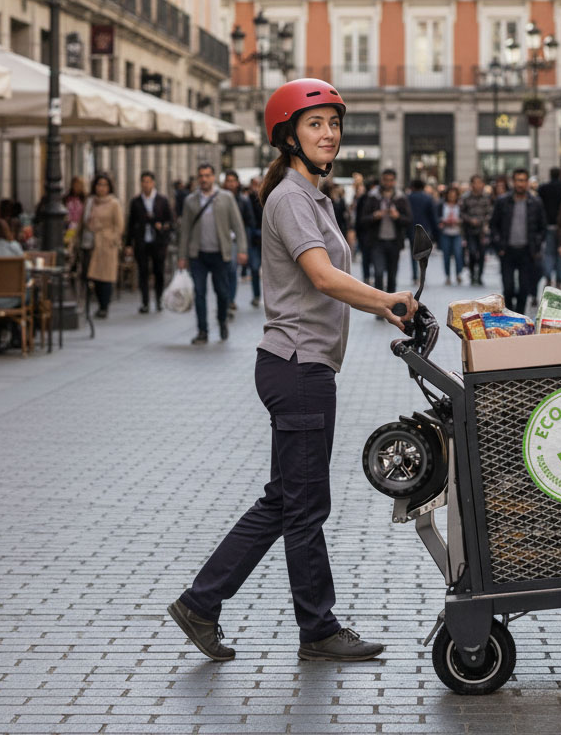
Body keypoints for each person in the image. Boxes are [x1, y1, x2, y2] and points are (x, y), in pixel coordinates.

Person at [168, 77, 416, 664]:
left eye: (333, 123)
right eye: (315, 124)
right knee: (304, 508)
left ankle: (200, 605)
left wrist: (384, 304)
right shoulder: (291, 198)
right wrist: (387, 301)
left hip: (301, 367)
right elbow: (323, 277)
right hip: (298, 367)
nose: (328, 133)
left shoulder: (311, 196)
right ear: (288, 137)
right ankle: (318, 629)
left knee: (284, 501)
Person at [178, 162, 247, 344]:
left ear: (214, 177)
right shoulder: (190, 201)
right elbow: (185, 230)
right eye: (201, 176)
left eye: (207, 175)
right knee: (199, 293)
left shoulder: (225, 198)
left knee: (222, 293)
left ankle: (222, 321)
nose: (204, 179)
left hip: (220, 254)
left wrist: (241, 250)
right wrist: (182, 255)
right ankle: (203, 331)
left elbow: (238, 226)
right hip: (198, 255)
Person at [490, 168, 546, 313]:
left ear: (527, 182)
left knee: (524, 288)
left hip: (527, 251)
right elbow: (493, 225)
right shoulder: (502, 201)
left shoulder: (535, 202)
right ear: (513, 182)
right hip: (507, 250)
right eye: (518, 180)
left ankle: (519, 316)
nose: (520, 184)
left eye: (523, 180)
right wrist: (498, 245)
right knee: (508, 287)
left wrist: (537, 244)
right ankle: (509, 313)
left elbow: (542, 227)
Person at [128, 170, 174, 314]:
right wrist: (129, 244)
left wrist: (162, 226)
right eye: (143, 181)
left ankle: (159, 299)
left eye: (148, 181)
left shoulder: (162, 200)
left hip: (158, 242)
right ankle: (145, 302)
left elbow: (170, 221)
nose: (146, 184)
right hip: (142, 241)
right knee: (143, 272)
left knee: (158, 271)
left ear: (153, 183)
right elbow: (130, 223)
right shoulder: (136, 202)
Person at [82, 173, 124, 320]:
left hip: (107, 244)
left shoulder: (114, 203)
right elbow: (85, 221)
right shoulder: (91, 202)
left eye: (105, 185)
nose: (102, 188)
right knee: (94, 276)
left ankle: (104, 306)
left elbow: (119, 226)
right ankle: (98, 303)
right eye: (99, 184)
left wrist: (112, 239)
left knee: (106, 276)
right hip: (93, 243)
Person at [363, 169, 411, 296]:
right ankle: (380, 305)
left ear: (394, 181)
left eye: (391, 180)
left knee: (392, 275)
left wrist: (398, 217)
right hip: (377, 241)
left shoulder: (400, 197)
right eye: (386, 180)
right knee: (378, 273)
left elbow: (409, 220)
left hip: (394, 242)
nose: (388, 183)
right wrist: (375, 216)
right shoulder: (373, 197)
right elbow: (363, 219)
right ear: (381, 180)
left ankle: (391, 305)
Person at [223, 170, 254, 318]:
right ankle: (224, 299)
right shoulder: (218, 198)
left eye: (232, 181)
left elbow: (249, 222)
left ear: (237, 183)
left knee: (232, 270)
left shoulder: (243, 200)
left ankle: (230, 300)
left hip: (235, 240)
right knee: (222, 271)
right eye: (227, 180)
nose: (230, 183)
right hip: (221, 240)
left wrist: (244, 246)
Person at [537, 167, 561, 288]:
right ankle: (559, 280)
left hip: (548, 225)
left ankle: (548, 277)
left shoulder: (543, 188)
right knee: (560, 254)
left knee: (549, 254)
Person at [461, 174, 493, 286]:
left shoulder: (486, 197)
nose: (478, 185)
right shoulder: (465, 197)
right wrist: (470, 220)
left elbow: (490, 212)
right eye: (476, 183)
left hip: (482, 231)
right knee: (472, 253)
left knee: (482, 253)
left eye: (480, 182)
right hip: (469, 230)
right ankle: (472, 272)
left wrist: (483, 220)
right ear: (472, 184)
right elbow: (461, 213)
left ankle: (479, 276)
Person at [406, 178, 439, 282]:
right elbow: (432, 216)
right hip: (425, 228)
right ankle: (422, 274)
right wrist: (436, 232)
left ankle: (415, 275)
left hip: (412, 228)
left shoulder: (408, 198)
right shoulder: (428, 198)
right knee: (424, 253)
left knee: (413, 251)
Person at [438, 186, 465, 285]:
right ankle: (448, 276)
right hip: (445, 233)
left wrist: (458, 221)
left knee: (458, 254)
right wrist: (443, 221)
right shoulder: (442, 205)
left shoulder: (460, 205)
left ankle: (458, 273)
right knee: (446, 255)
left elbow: (464, 217)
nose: (452, 197)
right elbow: (437, 217)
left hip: (457, 233)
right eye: (450, 195)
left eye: (454, 195)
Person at [353, 178, 377, 287]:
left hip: (366, 233)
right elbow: (359, 218)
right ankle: (368, 277)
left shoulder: (363, 198)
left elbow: (357, 218)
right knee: (368, 257)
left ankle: (368, 277)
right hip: (367, 233)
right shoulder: (367, 198)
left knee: (367, 257)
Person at [247, 176, 265, 309]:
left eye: (258, 184)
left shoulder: (269, 197)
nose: (256, 187)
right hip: (253, 239)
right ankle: (256, 295)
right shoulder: (247, 200)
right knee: (254, 268)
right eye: (254, 184)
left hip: (267, 240)